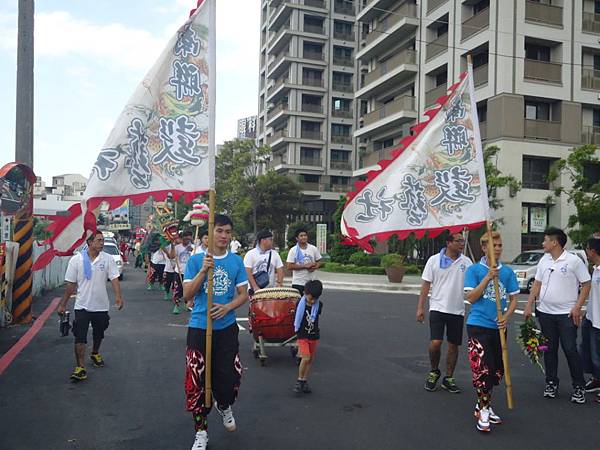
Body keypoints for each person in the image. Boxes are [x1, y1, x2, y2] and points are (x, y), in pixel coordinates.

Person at [183, 214, 249, 450]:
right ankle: (201, 432)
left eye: (228, 232)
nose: (224, 236)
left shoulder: (236, 262)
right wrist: (203, 271)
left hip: (226, 328)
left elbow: (243, 294)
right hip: (200, 327)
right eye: (219, 230)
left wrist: (228, 307)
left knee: (229, 376)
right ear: (210, 232)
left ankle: (224, 404)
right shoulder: (195, 260)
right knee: (197, 382)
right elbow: (187, 295)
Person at [524, 227, 591, 404]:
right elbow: (537, 284)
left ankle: (578, 386)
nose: (543, 243)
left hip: (566, 315)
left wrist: (578, 307)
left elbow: (586, 284)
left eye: (545, 240)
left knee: (570, 349)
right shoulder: (544, 260)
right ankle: (551, 382)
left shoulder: (573, 261)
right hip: (545, 313)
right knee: (549, 350)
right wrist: (529, 304)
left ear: (555, 242)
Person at [464, 231, 519, 433]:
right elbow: (470, 297)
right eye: (493, 245)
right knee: (483, 368)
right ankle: (484, 410)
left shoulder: (507, 272)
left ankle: (483, 404)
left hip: (498, 328)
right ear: (484, 247)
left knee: (496, 370)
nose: (498, 248)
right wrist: (487, 278)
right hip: (478, 325)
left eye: (500, 245)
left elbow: (513, 298)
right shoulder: (474, 270)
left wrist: (507, 316)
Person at [57, 231, 124, 382]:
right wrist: (63, 304)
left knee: (99, 333)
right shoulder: (77, 260)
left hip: (101, 306)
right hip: (82, 306)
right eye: (99, 240)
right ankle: (80, 367)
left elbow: (114, 278)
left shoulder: (107, 259)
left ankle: (95, 352)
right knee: (79, 336)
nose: (102, 243)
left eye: (103, 241)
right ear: (90, 242)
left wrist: (118, 296)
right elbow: (70, 285)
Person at [417, 232, 472, 394]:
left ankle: (449, 378)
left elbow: (473, 283)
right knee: (436, 343)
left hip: (457, 310)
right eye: (458, 241)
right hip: (437, 307)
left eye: (463, 241)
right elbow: (426, 285)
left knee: (453, 345)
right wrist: (420, 307)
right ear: (449, 243)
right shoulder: (434, 260)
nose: (462, 244)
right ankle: (434, 371)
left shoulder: (466, 262)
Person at [293, 279, 324, 394]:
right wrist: (296, 332)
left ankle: (304, 380)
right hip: (302, 335)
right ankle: (299, 380)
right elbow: (297, 319)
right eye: (310, 298)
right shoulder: (299, 304)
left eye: (314, 299)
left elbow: (316, 318)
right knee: (305, 357)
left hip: (314, 335)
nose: (312, 301)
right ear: (305, 294)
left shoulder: (319, 305)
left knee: (310, 359)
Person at [582, 237, 600, 402]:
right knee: (587, 351)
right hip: (590, 318)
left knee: (597, 355)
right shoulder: (595, 269)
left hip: (599, 322)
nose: (586, 251)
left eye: (587, 248)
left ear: (593, 251)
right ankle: (596, 379)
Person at [244, 229, 284, 294]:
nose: (272, 242)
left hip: (271, 290)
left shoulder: (274, 253)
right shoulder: (250, 254)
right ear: (263, 240)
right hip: (255, 290)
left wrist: (279, 283)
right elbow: (247, 272)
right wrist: (255, 287)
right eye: (270, 239)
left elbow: (280, 268)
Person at [286, 228, 322, 296]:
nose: (304, 237)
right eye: (301, 236)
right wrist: (305, 266)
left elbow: (320, 261)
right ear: (297, 238)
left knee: (311, 303)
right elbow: (289, 266)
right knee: (299, 304)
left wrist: (315, 267)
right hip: (298, 282)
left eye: (305, 235)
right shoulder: (293, 250)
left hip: (312, 282)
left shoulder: (313, 248)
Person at [173, 230, 194, 314]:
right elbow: (171, 256)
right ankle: (176, 306)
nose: (187, 241)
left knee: (189, 290)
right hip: (178, 272)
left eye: (189, 239)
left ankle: (188, 304)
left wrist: (192, 250)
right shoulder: (177, 247)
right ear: (182, 238)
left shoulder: (194, 247)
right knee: (177, 290)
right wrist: (172, 245)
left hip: (190, 273)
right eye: (185, 239)